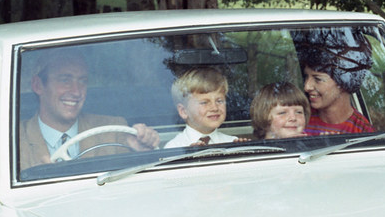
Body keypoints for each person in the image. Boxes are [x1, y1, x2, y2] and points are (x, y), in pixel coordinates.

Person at [18, 49, 159, 171]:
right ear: (38, 85)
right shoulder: (11, 141)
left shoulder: (113, 130)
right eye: (65, 80)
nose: (76, 92)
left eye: (82, 81)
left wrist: (142, 151)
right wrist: (32, 176)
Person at [296, 30, 375, 135]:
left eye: (318, 79)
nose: (307, 87)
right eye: (306, 77)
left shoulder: (362, 132)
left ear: (343, 82)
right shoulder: (298, 119)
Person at [164, 67, 239, 148]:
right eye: (204, 103)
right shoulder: (174, 147)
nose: (215, 108)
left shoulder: (232, 142)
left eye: (219, 101)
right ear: (184, 111)